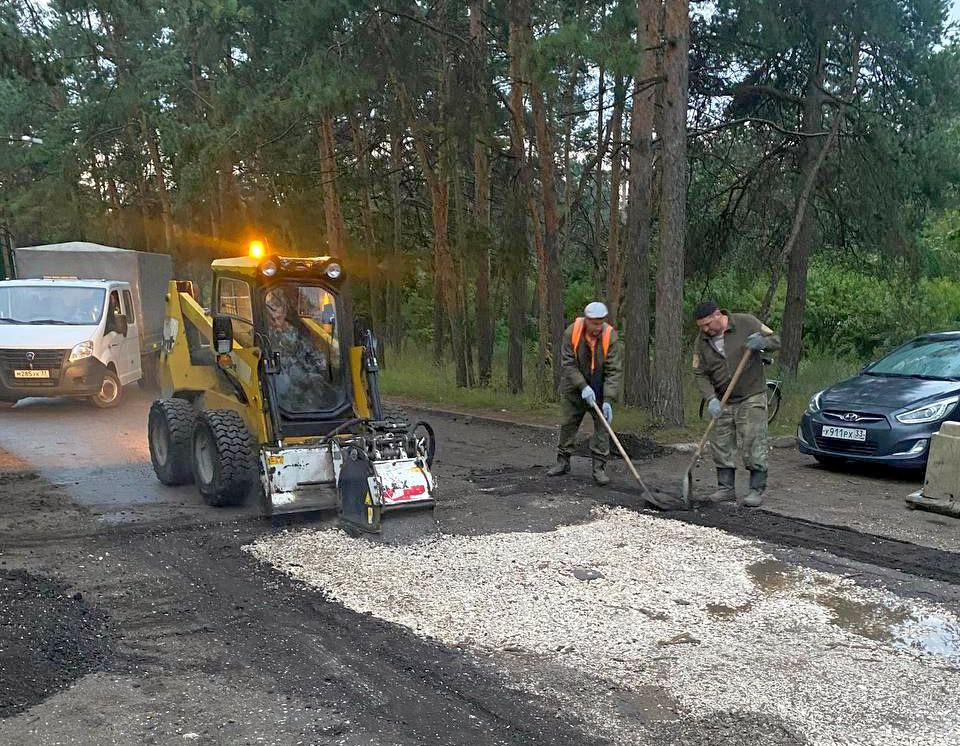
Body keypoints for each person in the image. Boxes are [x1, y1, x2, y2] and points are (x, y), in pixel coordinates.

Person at [692, 300, 780, 507]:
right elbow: (700, 373)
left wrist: (763, 343)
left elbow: (776, 339)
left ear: (717, 315)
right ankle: (726, 489)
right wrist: (711, 398)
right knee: (721, 444)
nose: (705, 330)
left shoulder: (746, 322)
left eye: (707, 324)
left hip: (751, 395)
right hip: (723, 399)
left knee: (752, 441)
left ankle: (756, 490)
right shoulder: (702, 341)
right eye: (701, 327)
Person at [546, 301, 623, 486]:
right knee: (568, 423)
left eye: (601, 323)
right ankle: (563, 462)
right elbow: (568, 363)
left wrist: (609, 399)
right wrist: (582, 386)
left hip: (600, 385)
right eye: (594, 323)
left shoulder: (610, 336)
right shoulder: (571, 332)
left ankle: (599, 469)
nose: (598, 327)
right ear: (587, 320)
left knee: (602, 429)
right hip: (574, 387)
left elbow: (614, 371)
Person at [263, 288, 336, 412]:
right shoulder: (263, 334)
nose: (276, 317)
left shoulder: (296, 334)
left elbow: (309, 353)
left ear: (285, 311)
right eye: (272, 314)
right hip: (276, 380)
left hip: (300, 379)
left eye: (279, 314)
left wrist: (324, 365)